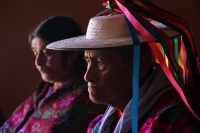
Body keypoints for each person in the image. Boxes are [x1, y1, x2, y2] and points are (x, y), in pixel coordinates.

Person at [46, 1, 200, 132]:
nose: (88, 76)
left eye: (100, 62)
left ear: (140, 66)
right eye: (88, 61)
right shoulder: (99, 125)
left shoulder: (174, 120)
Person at [0, 15, 107, 133]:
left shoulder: (85, 99)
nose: (38, 62)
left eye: (46, 53)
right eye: (35, 53)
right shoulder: (44, 91)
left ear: (72, 53)